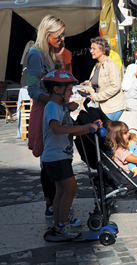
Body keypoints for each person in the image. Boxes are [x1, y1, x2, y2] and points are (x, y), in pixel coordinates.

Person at [27, 15, 79, 220]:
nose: (63, 39)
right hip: (44, 110)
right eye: (59, 35)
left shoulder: (49, 53)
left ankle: (57, 208)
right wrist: (53, 101)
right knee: (48, 158)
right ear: (47, 34)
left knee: (55, 156)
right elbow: (32, 88)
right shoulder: (35, 55)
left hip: (52, 106)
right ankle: (50, 204)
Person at [41, 69, 102, 238]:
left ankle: (58, 225)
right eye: (69, 89)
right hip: (56, 157)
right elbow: (56, 128)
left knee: (61, 192)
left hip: (60, 156)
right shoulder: (53, 107)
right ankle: (62, 225)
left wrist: (89, 125)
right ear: (56, 89)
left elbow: (71, 130)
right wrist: (83, 127)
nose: (72, 92)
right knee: (71, 189)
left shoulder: (60, 107)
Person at [83, 37, 126, 120]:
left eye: (94, 49)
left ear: (103, 50)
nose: (91, 51)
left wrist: (96, 97)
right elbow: (97, 86)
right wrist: (86, 90)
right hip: (102, 107)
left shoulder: (110, 65)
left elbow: (115, 87)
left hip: (112, 108)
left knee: (106, 131)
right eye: (91, 48)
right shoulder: (96, 66)